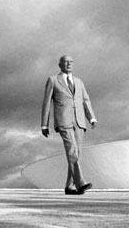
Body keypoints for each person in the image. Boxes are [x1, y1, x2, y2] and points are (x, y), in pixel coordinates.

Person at [41, 55, 97, 195]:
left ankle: (69, 186)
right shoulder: (53, 80)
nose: (68, 64)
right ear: (60, 64)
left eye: (71, 62)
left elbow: (85, 100)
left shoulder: (79, 82)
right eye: (65, 62)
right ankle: (80, 183)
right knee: (72, 150)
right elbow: (47, 103)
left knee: (76, 154)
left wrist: (91, 118)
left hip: (79, 122)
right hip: (64, 121)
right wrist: (44, 124)